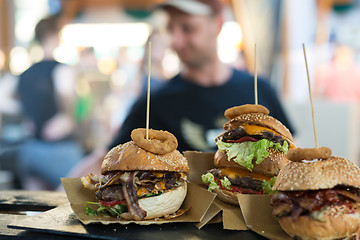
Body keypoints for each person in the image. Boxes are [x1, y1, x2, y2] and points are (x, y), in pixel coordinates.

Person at [66, 0, 294, 179]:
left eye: (187, 28)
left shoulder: (259, 89)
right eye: (170, 28)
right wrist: (55, 200)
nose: (175, 40)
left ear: (218, 24)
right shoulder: (155, 103)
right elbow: (106, 159)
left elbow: (292, 152)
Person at [17, 14, 83, 190]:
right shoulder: (61, 69)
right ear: (54, 36)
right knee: (82, 194)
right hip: (58, 150)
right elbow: (67, 96)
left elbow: (4, 100)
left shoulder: (25, 73)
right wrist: (67, 117)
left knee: (36, 207)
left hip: (29, 148)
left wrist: (25, 116)